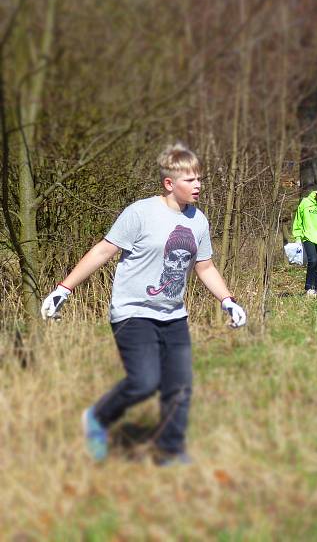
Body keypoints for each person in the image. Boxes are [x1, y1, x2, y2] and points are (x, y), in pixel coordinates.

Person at [40, 143, 247, 465]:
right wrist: (63, 290)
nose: (198, 186)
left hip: (173, 314)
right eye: (190, 180)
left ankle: (170, 452)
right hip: (133, 311)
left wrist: (228, 301)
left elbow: (204, 266)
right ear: (169, 183)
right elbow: (103, 251)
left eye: (199, 179)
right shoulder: (140, 212)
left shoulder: (199, 221)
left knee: (179, 387)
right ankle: (97, 417)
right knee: (144, 382)